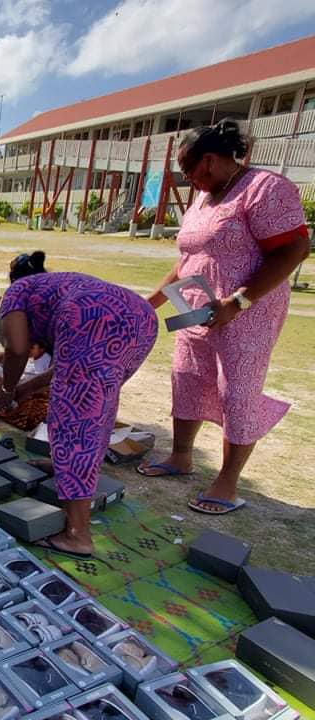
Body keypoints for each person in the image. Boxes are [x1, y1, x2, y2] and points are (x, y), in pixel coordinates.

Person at [138, 120, 310, 515]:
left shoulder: (265, 189)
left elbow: (295, 249)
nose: (188, 180)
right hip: (195, 310)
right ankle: (181, 457)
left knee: (237, 392)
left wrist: (238, 302)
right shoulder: (202, 200)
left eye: (189, 170)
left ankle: (227, 482)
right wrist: (151, 301)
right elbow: (187, 261)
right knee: (187, 379)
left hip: (246, 314)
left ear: (211, 160)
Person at [0, 259, 156, 558]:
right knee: (97, 409)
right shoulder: (57, 286)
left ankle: (77, 534)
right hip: (141, 318)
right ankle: (65, 469)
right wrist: (23, 390)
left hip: (93, 319)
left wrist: (6, 391)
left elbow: (16, 349)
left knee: (75, 422)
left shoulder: (17, 291)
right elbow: (64, 370)